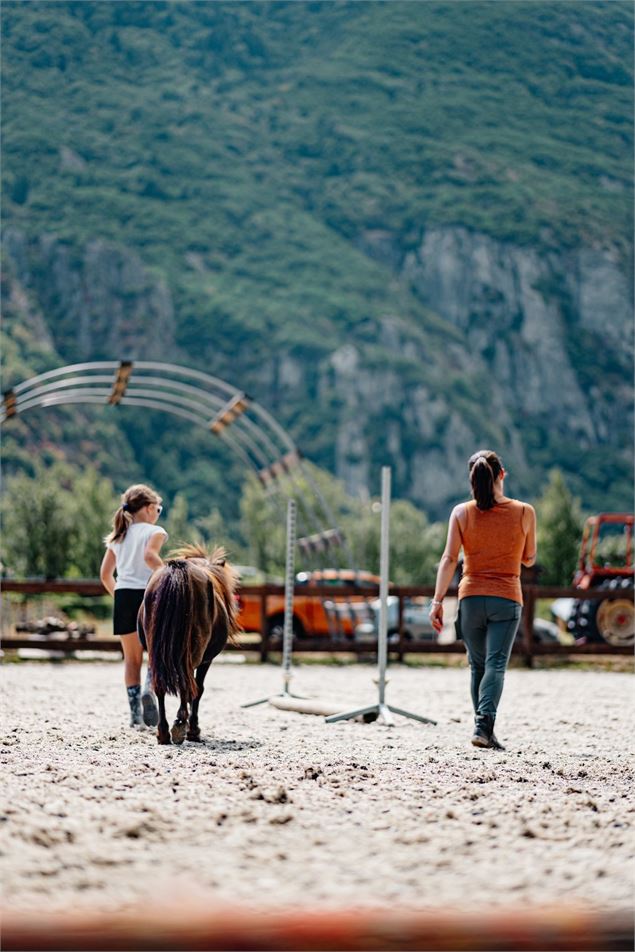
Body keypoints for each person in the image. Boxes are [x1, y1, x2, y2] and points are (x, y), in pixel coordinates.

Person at [429, 450, 536, 750]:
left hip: (471, 599)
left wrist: (437, 601)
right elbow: (529, 558)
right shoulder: (524, 512)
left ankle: (484, 730)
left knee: (477, 666)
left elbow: (449, 559)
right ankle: (483, 726)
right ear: (502, 474)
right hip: (506, 598)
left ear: (472, 478)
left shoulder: (461, 513)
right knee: (495, 664)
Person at [100, 484, 168, 728]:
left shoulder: (118, 536)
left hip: (124, 596)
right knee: (155, 654)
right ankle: (149, 690)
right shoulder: (155, 531)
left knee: (131, 659)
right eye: (158, 509)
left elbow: (105, 575)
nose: (158, 513)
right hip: (148, 597)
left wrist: (119, 596)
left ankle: (135, 716)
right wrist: (168, 576)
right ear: (149, 508)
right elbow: (150, 557)